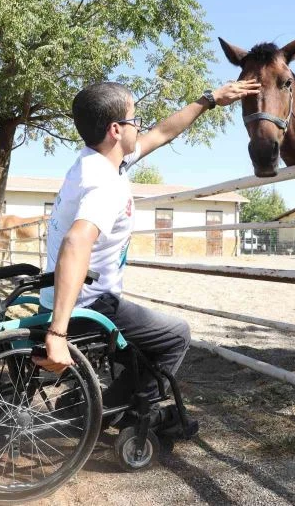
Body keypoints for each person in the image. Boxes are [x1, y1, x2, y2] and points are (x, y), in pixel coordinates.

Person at [32, 80, 259, 433]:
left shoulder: (93, 163)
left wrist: (210, 99)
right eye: (135, 119)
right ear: (115, 129)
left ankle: (103, 406)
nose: (141, 126)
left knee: (142, 349)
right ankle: (127, 418)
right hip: (89, 308)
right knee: (175, 336)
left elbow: (163, 133)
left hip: (69, 299)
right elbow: (77, 242)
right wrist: (57, 334)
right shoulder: (103, 183)